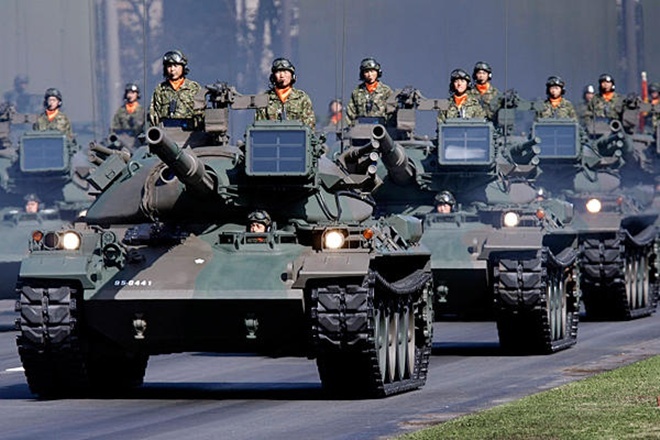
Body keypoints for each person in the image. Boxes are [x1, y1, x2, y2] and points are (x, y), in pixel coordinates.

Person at [255, 57, 316, 130]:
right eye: (278, 72)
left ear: (292, 76)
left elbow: (309, 127)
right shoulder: (265, 98)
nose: (282, 75)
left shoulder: (302, 98)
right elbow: (259, 128)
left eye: (285, 71)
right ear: (273, 77)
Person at [148, 50, 203, 128]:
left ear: (183, 67)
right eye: (169, 66)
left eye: (175, 66)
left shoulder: (194, 88)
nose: (172, 69)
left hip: (189, 131)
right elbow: (153, 115)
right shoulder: (160, 89)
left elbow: (201, 114)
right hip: (166, 130)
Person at [345, 57, 393, 127]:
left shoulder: (386, 91)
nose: (370, 75)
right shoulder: (357, 92)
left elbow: (391, 113)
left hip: (381, 128)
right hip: (361, 128)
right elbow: (350, 113)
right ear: (363, 74)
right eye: (366, 72)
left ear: (377, 72)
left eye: (372, 71)